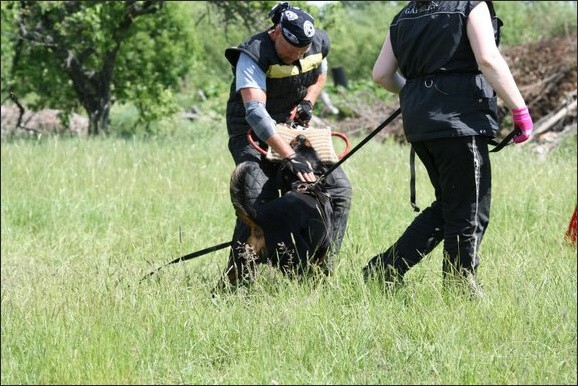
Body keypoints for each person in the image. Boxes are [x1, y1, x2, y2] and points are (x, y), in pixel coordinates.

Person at [363, 1, 533, 296]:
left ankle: (385, 269)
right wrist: (520, 110)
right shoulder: (470, 5)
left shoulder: (404, 14)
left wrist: (417, 92)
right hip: (459, 122)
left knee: (450, 205)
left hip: (420, 123)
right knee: (470, 208)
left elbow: (381, 74)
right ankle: (459, 288)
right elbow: (488, 59)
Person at [222, 2, 352, 282]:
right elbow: (256, 113)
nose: (296, 57)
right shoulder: (253, 53)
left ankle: (321, 271)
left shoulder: (316, 43)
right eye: (291, 52)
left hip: (293, 128)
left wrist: (308, 102)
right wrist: (290, 157)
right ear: (277, 32)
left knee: (338, 190)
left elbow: (320, 73)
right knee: (259, 197)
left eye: (302, 52)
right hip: (252, 130)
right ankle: (238, 279)